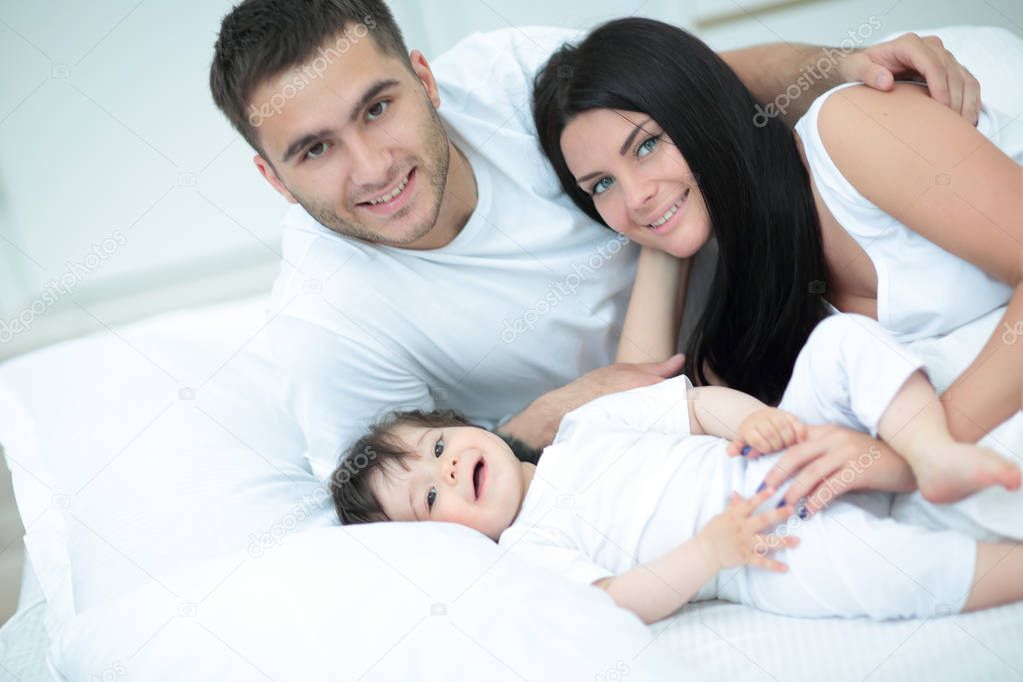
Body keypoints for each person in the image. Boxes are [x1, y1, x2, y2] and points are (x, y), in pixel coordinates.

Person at [209, 0, 985, 483]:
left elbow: (689, 84)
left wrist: (836, 64)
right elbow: (390, 500)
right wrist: (527, 431)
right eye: (314, 150)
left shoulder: (510, 74)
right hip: (714, 372)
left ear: (425, 79)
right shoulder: (328, 329)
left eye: (377, 108)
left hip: (766, 263)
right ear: (273, 179)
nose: (372, 167)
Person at [532, 17, 1023, 503]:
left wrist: (910, 451)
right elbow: (640, 431)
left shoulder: (850, 129)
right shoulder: (747, 310)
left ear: (704, 111)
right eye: (601, 184)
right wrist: (659, 241)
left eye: (647, 144)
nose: (634, 195)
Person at [330, 314, 1022, 624]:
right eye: (427, 494)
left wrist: (747, 418)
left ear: (469, 427)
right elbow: (616, 600)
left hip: (788, 451)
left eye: (439, 447)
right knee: (883, 575)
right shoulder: (528, 553)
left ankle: (930, 453)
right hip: (758, 549)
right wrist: (709, 552)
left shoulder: (583, 426)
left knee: (838, 340)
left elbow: (693, 407)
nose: (446, 470)